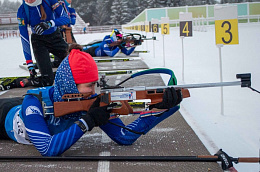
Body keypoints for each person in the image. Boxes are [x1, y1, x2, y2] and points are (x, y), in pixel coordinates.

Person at [0, 44, 182, 156]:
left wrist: (159, 109)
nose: (93, 90)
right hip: (5, 114)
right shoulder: (33, 102)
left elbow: (125, 137)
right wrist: (88, 121)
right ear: (70, 84)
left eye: (95, 83)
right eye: (89, 85)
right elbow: (48, 149)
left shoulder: (89, 100)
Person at [17, 0, 70, 88]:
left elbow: (65, 18)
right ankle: (24, 81)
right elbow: (24, 38)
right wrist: (29, 63)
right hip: (39, 42)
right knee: (47, 81)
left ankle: (59, 73)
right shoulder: (22, 10)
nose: (29, 1)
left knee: (76, 61)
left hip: (55, 38)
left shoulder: (49, 1)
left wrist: (50, 23)